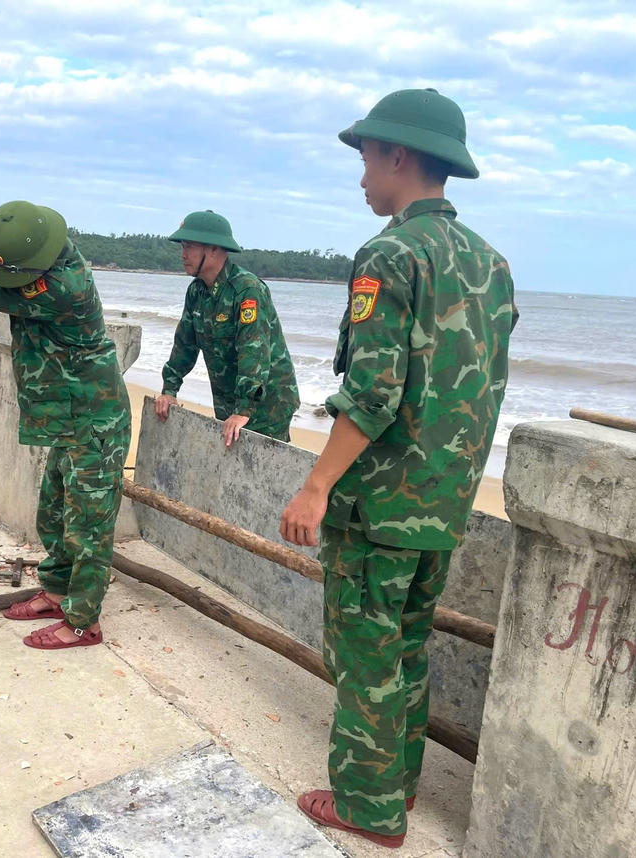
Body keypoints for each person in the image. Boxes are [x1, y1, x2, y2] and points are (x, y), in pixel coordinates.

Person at [279, 89, 518, 848]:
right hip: (441, 506)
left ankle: (368, 806)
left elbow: (375, 390)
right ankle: (398, 784)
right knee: (406, 646)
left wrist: (317, 485)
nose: (361, 180)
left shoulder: (391, 254)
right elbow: (483, 392)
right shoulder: (492, 263)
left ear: (399, 156)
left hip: (379, 508)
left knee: (363, 654)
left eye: (366, 161)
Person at [0, 172, 130, 650]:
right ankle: (57, 592)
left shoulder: (63, 286)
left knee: (88, 526)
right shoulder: (39, 263)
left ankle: (83, 622)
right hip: (68, 418)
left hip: (93, 421)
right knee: (55, 512)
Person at [155, 210, 300, 446]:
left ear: (213, 249)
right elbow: (185, 345)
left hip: (266, 405)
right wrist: (169, 390)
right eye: (182, 246)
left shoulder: (246, 290)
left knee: (261, 475)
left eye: (189, 246)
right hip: (229, 402)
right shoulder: (196, 292)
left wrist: (244, 409)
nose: (183, 254)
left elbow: (254, 352)